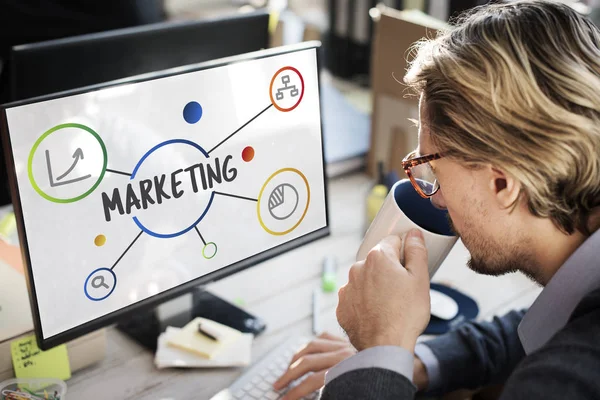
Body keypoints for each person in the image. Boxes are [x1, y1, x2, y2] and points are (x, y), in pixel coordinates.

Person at [273, 0, 600, 398]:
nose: (437, 199)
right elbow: (538, 328)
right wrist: (409, 362)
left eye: (433, 170)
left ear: (503, 184)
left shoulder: (567, 382)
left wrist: (381, 348)